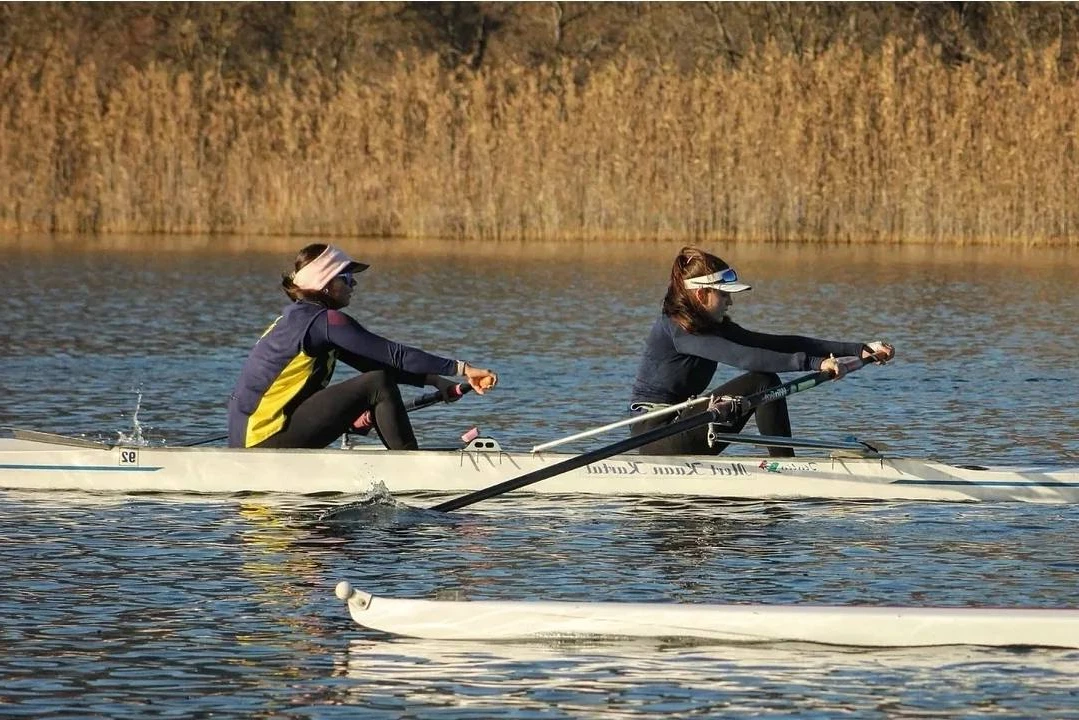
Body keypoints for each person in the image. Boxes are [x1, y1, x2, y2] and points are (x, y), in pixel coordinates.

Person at [629, 246, 894, 457]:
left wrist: (859, 349)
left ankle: (784, 463)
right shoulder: (679, 330)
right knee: (762, 381)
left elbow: (773, 344)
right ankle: (785, 466)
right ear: (701, 295)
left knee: (764, 381)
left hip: (686, 422)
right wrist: (815, 364)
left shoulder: (709, 324)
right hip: (657, 435)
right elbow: (746, 358)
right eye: (724, 295)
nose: (730, 301)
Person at [227, 243, 498, 450]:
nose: (353, 283)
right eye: (346, 277)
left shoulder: (306, 320)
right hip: (263, 438)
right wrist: (462, 369)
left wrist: (435, 381)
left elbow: (377, 363)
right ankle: (411, 467)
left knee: (376, 380)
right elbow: (395, 355)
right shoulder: (326, 322)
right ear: (325, 284)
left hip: (253, 438)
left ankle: (404, 460)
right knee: (376, 384)